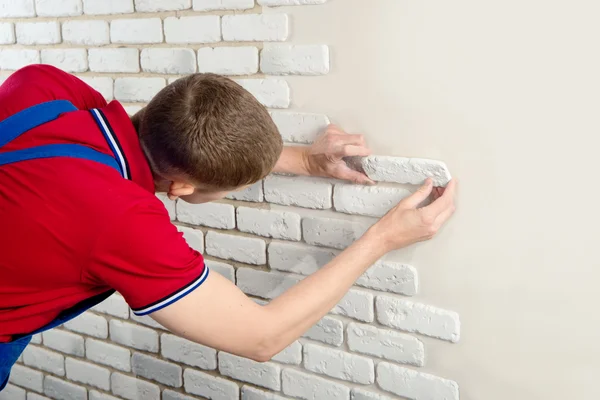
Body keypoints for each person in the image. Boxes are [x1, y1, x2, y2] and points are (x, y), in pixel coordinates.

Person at [0, 64, 456, 390]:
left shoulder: (42, 86)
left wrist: (303, 159)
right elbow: (261, 337)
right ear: (179, 186)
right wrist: (384, 238)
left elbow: (176, 137)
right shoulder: (122, 223)